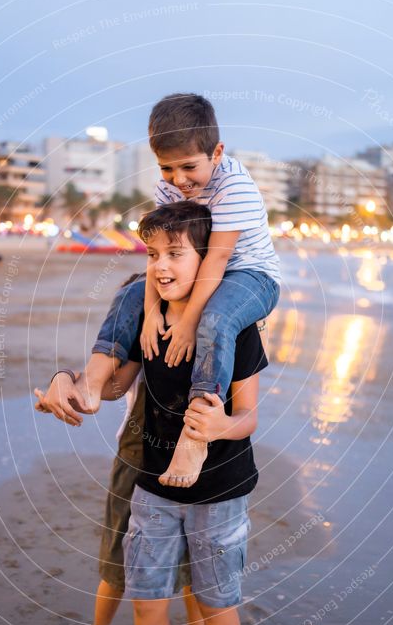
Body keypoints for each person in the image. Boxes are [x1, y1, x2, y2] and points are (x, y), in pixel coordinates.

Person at [89, 201, 268, 625]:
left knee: (217, 599)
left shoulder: (233, 323)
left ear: (207, 258)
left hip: (220, 488)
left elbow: (250, 418)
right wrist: (69, 385)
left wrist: (219, 427)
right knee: (146, 598)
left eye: (175, 253)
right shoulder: (148, 317)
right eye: (152, 253)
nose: (162, 265)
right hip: (152, 481)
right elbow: (113, 385)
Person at [44, 93, 280, 489]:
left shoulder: (234, 187)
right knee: (132, 292)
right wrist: (152, 312)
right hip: (197, 272)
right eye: (167, 168)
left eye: (189, 166)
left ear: (216, 152)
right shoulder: (169, 189)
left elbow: (217, 260)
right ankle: (90, 381)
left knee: (217, 317)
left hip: (249, 275)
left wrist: (188, 322)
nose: (179, 179)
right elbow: (157, 256)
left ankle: (196, 431)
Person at [35, 275, 210, 625]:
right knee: (118, 557)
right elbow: (108, 387)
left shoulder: (206, 330)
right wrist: (64, 378)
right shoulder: (143, 338)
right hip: (138, 456)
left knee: (194, 555)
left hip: (195, 459)